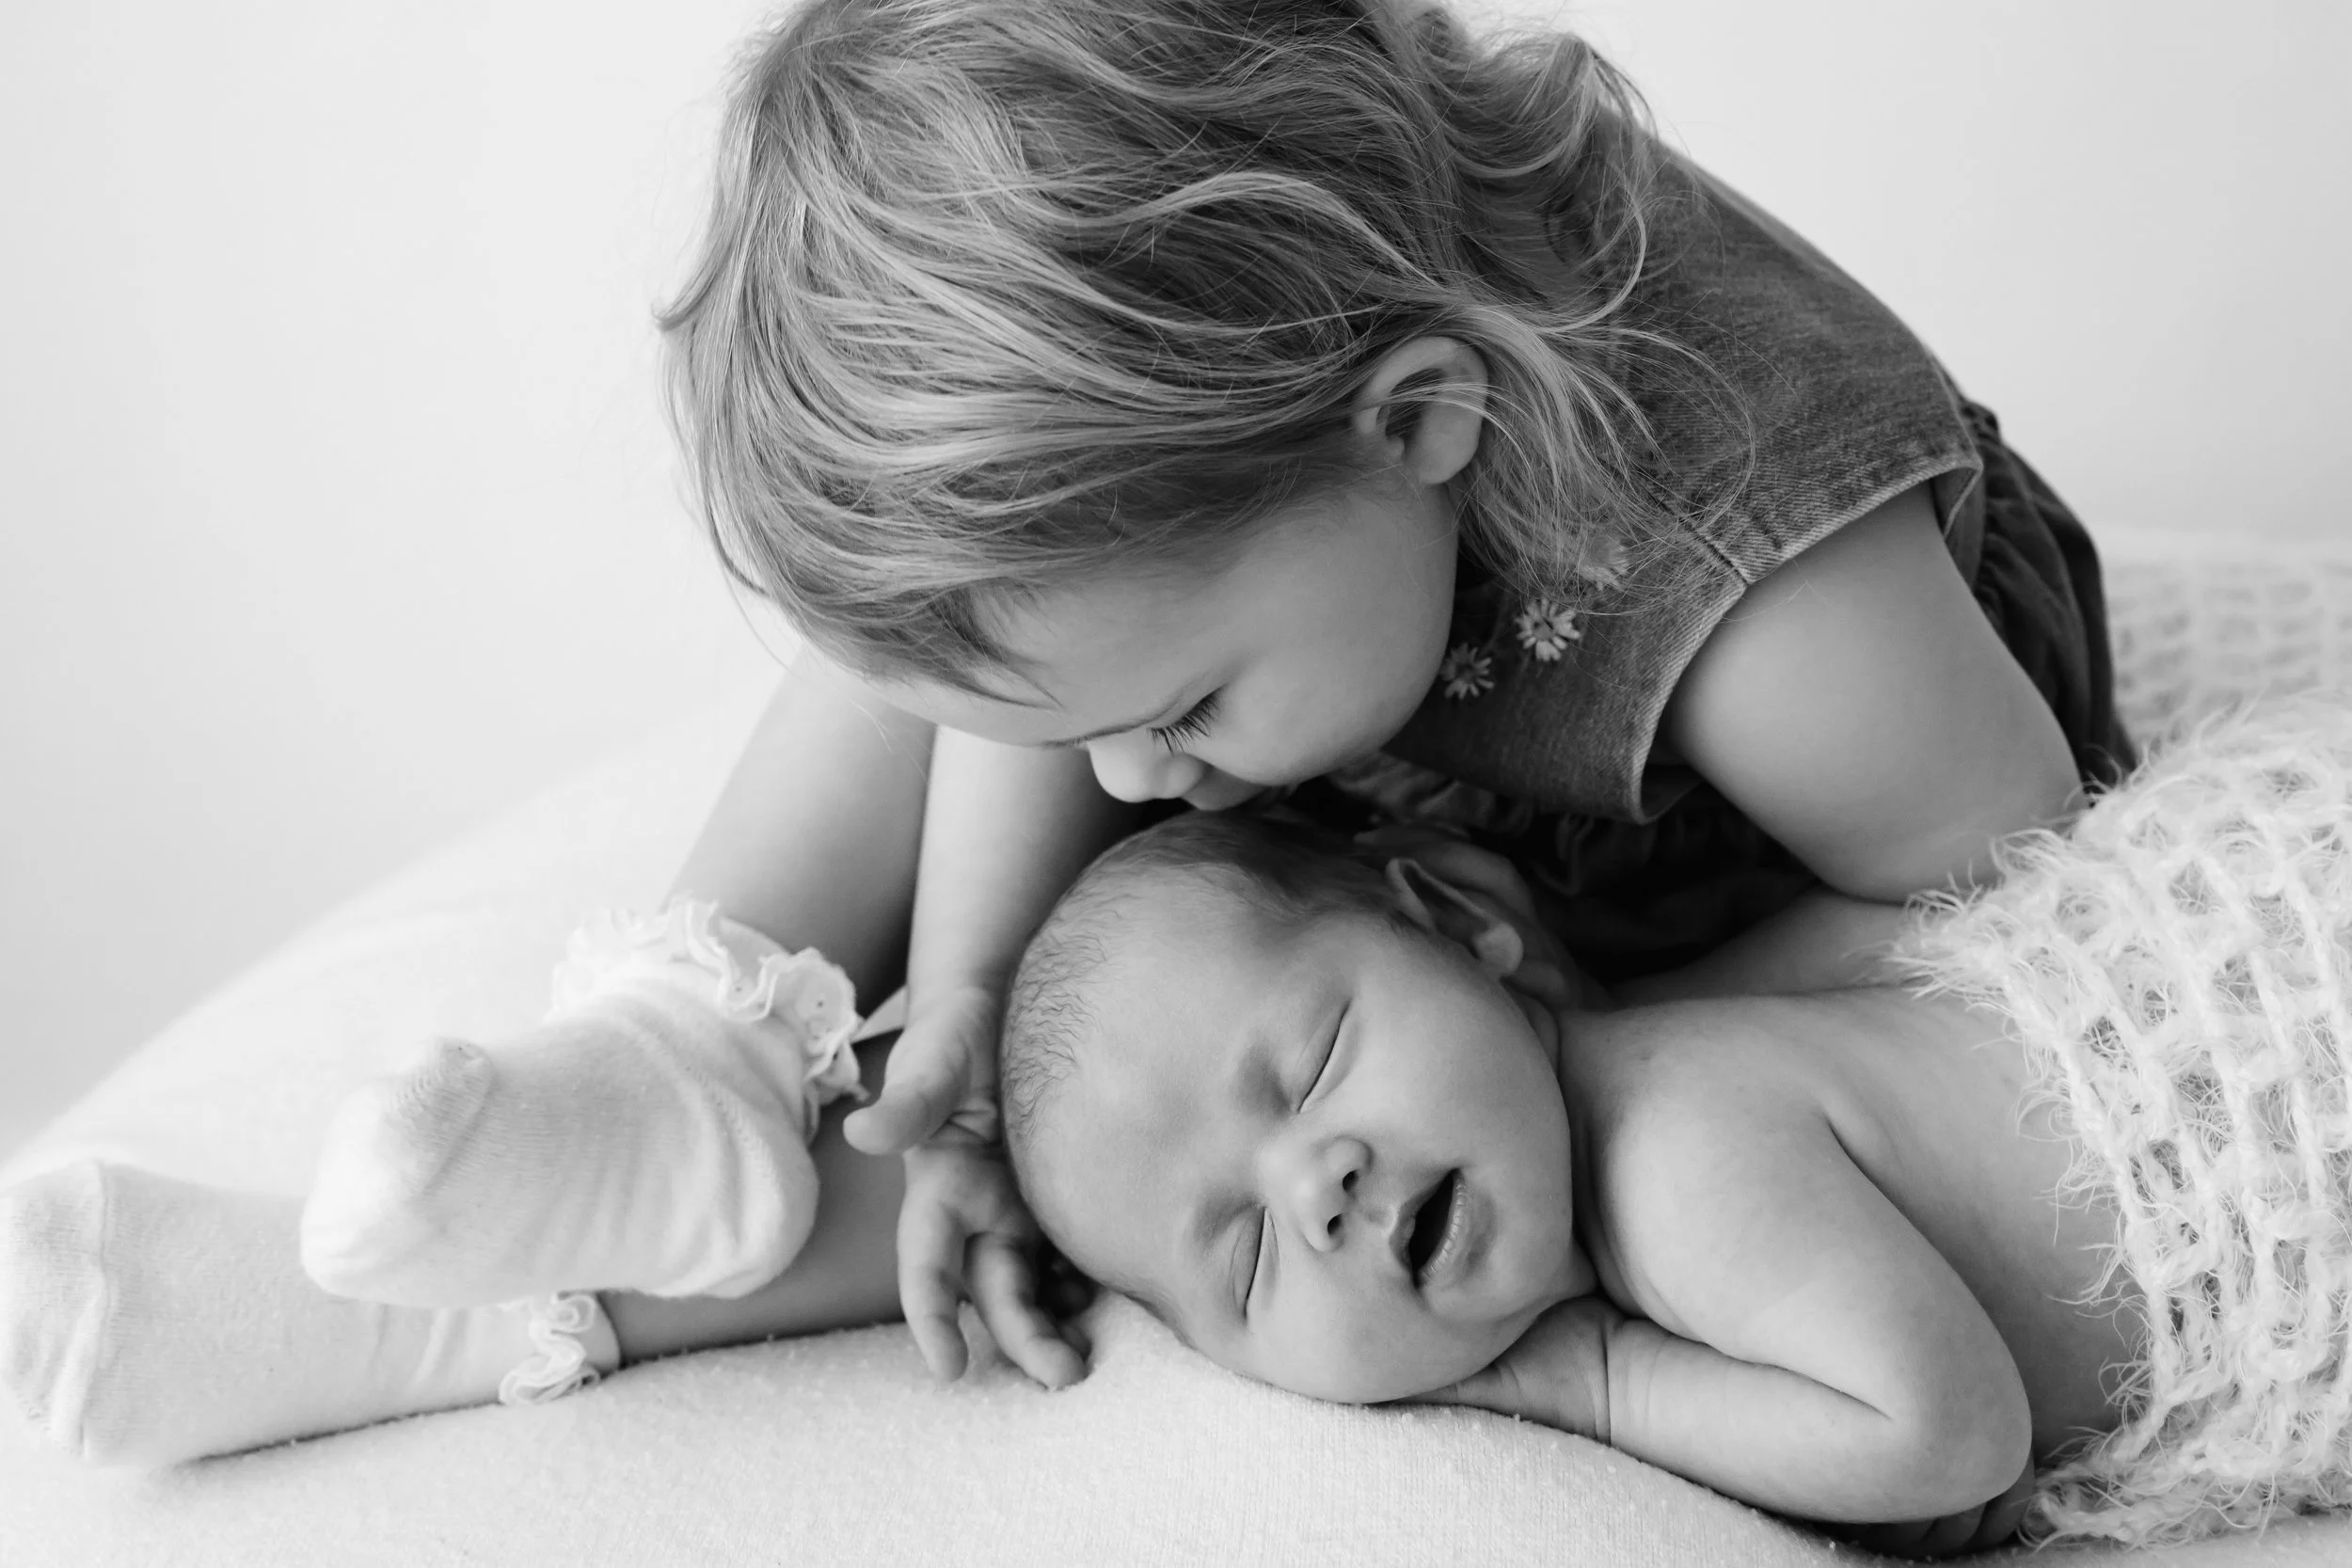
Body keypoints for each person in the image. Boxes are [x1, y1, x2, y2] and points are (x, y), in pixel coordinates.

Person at [294, 0, 2127, 1399]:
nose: (1121, 775)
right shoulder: (1279, 534)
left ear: (1416, 420)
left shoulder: (1772, 603)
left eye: (1173, 703)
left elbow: (1994, 881)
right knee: (959, 640)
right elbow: (1057, 698)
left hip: (1734, 838)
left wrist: (1537, 1027)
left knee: (1178, 1067)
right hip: (1382, 668)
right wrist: (979, 1019)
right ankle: (674, 1048)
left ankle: (439, 1326)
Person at [993, 704, 2352, 1553]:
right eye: (1243, 1260)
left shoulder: (1674, 1155)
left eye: (1314, 1063)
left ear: (1467, 926)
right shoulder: (1685, 1042)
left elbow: (1948, 1435)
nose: (1318, 1185)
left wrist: (1600, 1384)